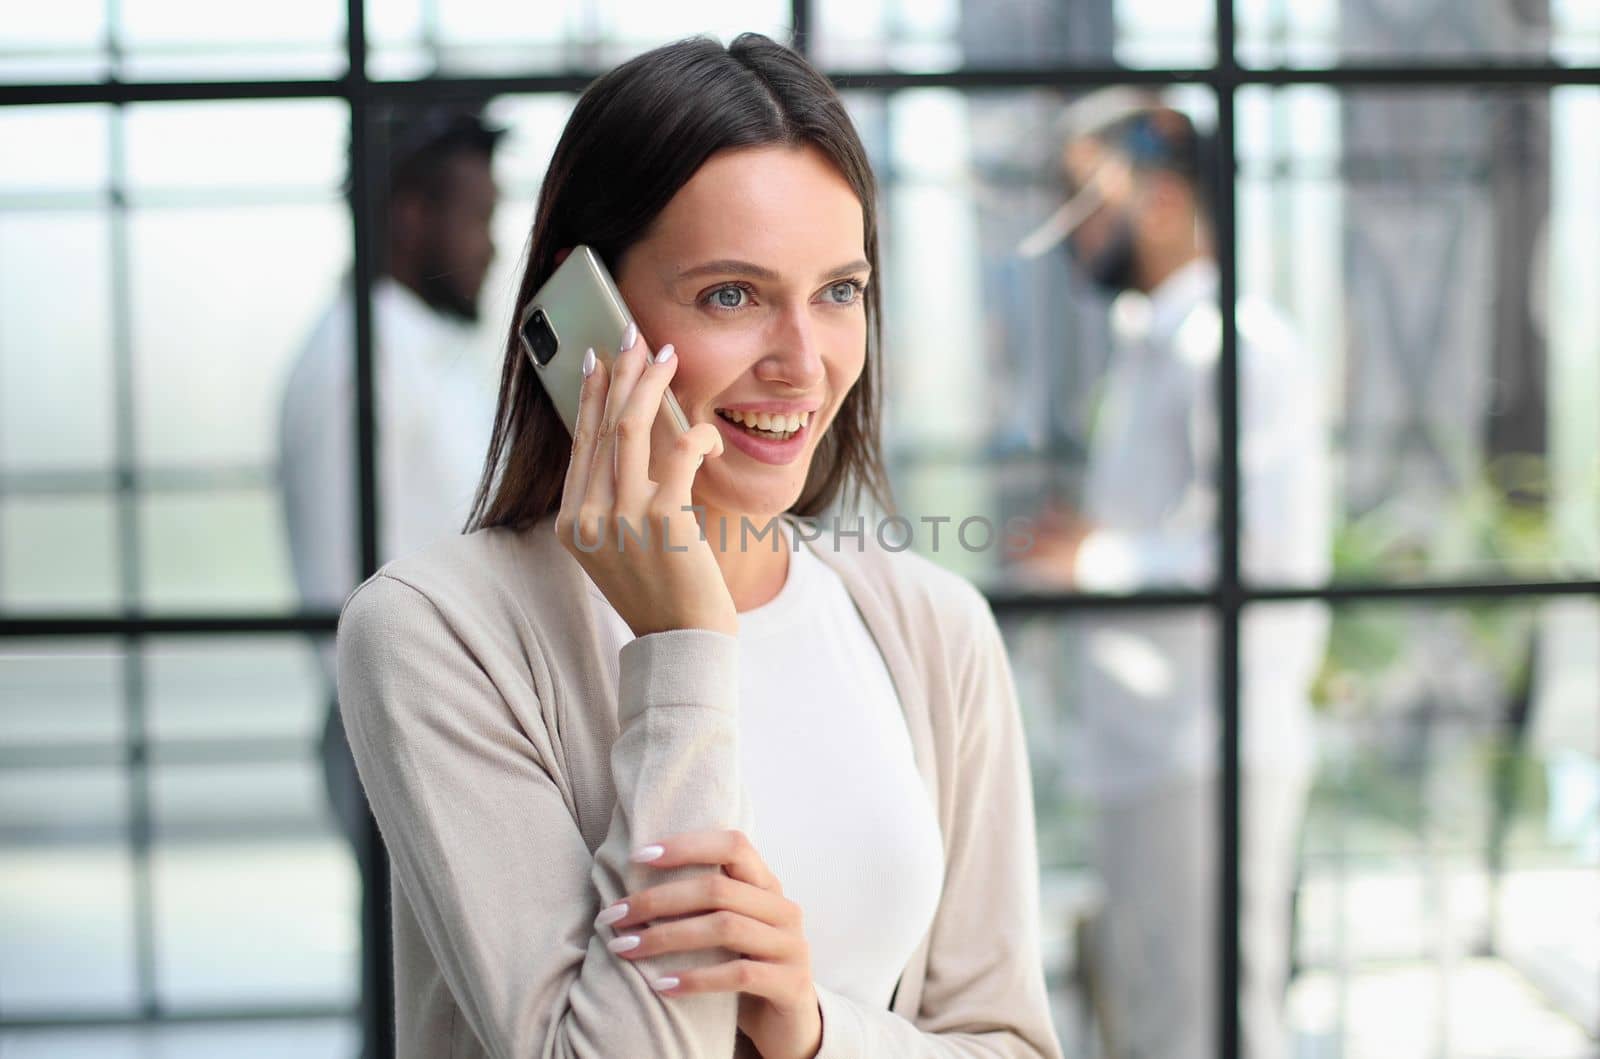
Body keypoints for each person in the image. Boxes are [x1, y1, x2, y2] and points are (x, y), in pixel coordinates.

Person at [333, 33, 1064, 1059]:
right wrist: (683, 644)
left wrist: (813, 1033)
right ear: (586, 310)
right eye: (733, 295)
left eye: (839, 291)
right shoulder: (435, 634)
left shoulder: (931, 628)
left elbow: (1010, 1045)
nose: (803, 365)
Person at [1014, 88, 1333, 1059]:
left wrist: (1096, 559)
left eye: (1085, 199)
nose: (1071, 229)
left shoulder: (1232, 349)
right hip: (1149, 752)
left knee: (1211, 1026)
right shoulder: (1154, 351)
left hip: (1207, 750)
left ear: (1159, 200)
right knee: (1157, 1023)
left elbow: (1267, 560)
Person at [278, 103, 504, 857]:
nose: (494, 248)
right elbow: (349, 587)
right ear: (411, 218)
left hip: (435, 729)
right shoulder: (358, 363)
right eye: (479, 218)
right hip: (404, 736)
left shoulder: (417, 353)